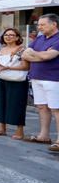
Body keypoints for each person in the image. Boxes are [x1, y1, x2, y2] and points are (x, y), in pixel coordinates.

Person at [22, 13, 59, 149]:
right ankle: (44, 136)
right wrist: (39, 55)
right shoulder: (40, 38)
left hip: (53, 79)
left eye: (43, 24)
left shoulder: (58, 39)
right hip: (37, 77)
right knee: (42, 107)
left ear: (54, 24)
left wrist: (35, 54)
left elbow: (50, 55)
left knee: (56, 109)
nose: (39, 27)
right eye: (38, 25)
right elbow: (25, 53)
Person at [0, 28, 30, 139]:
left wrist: (8, 67)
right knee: (0, 103)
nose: (8, 37)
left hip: (17, 80)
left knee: (17, 104)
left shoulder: (23, 50)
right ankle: (1, 128)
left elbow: (26, 66)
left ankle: (19, 131)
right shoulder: (0, 49)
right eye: (6, 35)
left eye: (12, 35)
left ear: (18, 37)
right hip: (1, 78)